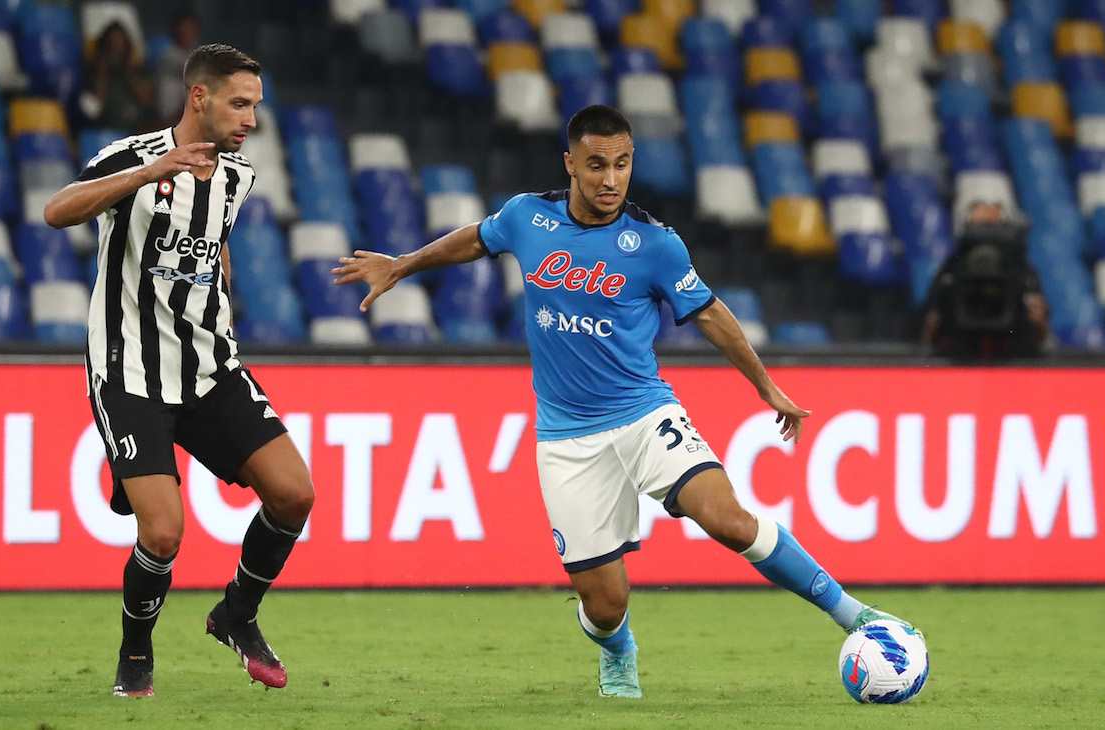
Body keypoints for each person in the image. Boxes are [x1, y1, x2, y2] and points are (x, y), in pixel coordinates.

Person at [333, 105, 917, 699]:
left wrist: (766, 386)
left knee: (729, 519)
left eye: (621, 164)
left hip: (644, 415)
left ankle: (855, 614)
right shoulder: (526, 218)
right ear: (570, 164)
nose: (610, 179)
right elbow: (477, 239)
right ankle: (618, 649)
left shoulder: (656, 244)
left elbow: (710, 314)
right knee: (606, 604)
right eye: (596, 165)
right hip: (567, 440)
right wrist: (403, 264)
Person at [44, 43, 313, 698]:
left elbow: (212, 248)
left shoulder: (237, 177)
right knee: (163, 533)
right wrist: (150, 173)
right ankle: (135, 652)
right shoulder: (133, 155)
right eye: (239, 104)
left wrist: (222, 305)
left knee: (293, 493)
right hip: (130, 370)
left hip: (210, 368)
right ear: (200, 97)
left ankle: (236, 614)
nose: (251, 119)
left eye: (255, 106)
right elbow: (57, 211)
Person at [921, 200, 1050, 358]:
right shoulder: (951, 271)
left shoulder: (1022, 271)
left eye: (992, 227)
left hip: (1012, 352)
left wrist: (1038, 323)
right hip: (958, 352)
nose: (986, 237)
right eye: (980, 228)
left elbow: (1040, 330)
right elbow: (930, 328)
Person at [80, 21, 157, 131]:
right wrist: (102, 73)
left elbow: (146, 101)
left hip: (138, 127)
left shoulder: (139, 70)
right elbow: (94, 110)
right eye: (111, 45)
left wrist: (129, 72)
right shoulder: (92, 73)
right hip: (105, 129)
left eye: (119, 45)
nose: (116, 49)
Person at [156, 10, 202, 126]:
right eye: (183, 28)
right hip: (170, 115)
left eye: (190, 28)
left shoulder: (201, 55)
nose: (186, 32)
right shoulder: (166, 55)